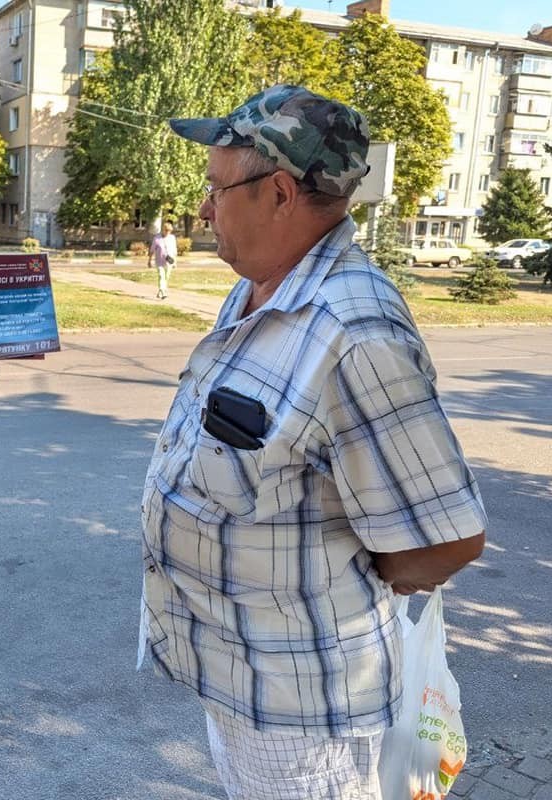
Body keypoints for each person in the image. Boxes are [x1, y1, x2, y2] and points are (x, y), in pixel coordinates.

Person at [137, 85, 487, 799]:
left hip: (310, 724)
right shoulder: (265, 287)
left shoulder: (355, 332)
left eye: (214, 189)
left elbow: (445, 541)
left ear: (277, 193)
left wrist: (338, 590)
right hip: (246, 688)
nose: (203, 209)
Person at [150, 222, 178, 299]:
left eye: (169, 231)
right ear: (163, 230)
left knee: (166, 277)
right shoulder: (157, 238)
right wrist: (149, 260)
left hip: (169, 261)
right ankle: (163, 291)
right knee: (161, 276)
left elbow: (174, 250)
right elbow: (152, 250)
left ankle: (160, 291)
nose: (167, 232)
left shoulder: (172, 238)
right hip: (159, 261)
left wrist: (175, 261)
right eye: (166, 230)